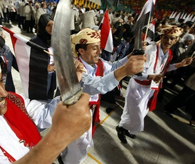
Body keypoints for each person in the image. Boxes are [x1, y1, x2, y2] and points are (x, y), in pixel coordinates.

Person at [0, 48, 91, 163]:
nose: (3, 92)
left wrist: (72, 83)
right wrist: (60, 137)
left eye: (1, 81)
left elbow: (45, 114)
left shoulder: (14, 100)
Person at [61, 28, 146, 163]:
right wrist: (124, 71)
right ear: (81, 51)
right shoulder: (75, 69)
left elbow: (113, 67)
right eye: (95, 48)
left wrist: (130, 57)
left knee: (82, 140)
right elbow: (97, 85)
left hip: (89, 109)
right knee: (76, 141)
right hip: (75, 112)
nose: (100, 52)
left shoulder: (98, 62)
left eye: (99, 48)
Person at [116, 25, 194, 144]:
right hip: (138, 85)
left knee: (141, 112)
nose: (168, 41)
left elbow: (163, 69)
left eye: (172, 38)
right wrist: (151, 76)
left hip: (151, 87)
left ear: (176, 40)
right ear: (161, 36)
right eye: (166, 37)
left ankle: (126, 128)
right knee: (135, 111)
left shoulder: (168, 53)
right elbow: (136, 72)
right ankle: (122, 127)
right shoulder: (150, 50)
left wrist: (180, 64)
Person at [30, 14, 56, 100]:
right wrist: (45, 67)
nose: (51, 28)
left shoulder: (55, 40)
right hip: (39, 79)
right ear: (42, 26)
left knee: (49, 99)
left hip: (52, 76)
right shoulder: (35, 41)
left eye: (53, 25)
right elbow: (30, 61)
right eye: (48, 25)